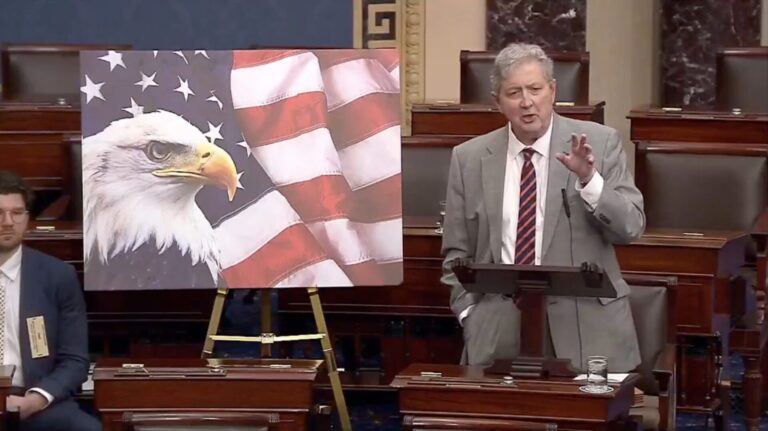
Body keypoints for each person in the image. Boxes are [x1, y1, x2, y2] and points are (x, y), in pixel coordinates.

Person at [441, 43, 644, 372]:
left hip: (587, 329)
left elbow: (631, 226)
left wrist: (590, 180)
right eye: (514, 92)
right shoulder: (469, 159)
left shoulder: (600, 143)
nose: (527, 102)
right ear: (498, 102)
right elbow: (456, 253)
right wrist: (469, 313)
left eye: (535, 89)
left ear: (552, 91)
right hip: (499, 333)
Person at [0, 170, 101, 431]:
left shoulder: (57, 275)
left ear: (27, 217)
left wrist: (35, 400)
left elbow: (75, 360)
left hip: (37, 400)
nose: (7, 221)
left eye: (17, 212)